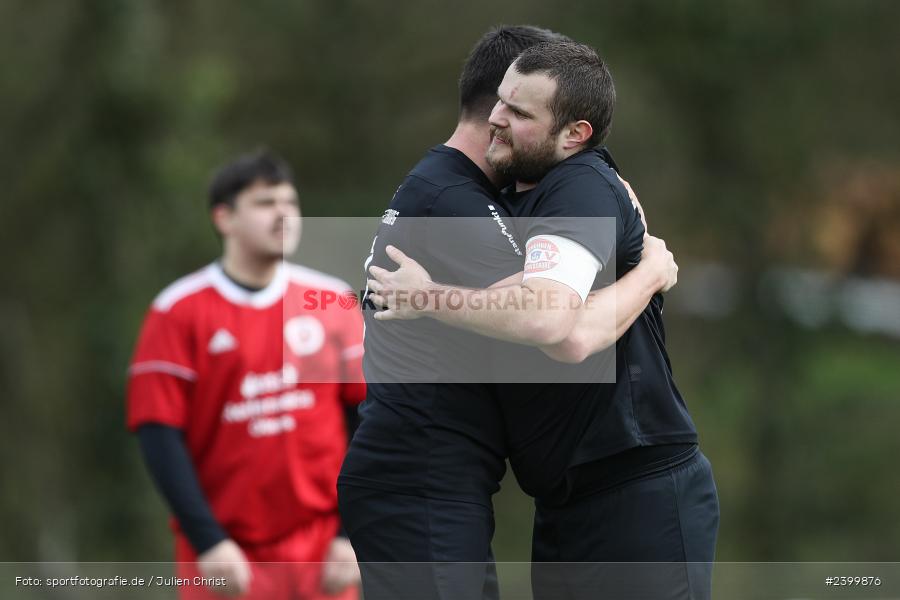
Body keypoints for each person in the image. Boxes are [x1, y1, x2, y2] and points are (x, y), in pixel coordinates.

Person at [337, 26, 680, 600]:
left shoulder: (458, 188)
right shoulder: (457, 201)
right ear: (496, 100)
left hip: (430, 478)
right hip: (420, 478)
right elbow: (555, 319)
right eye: (512, 106)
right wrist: (647, 266)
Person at [127, 149, 364, 600]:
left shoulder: (331, 299)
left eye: (290, 202)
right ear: (224, 218)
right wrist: (208, 541)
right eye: (265, 203)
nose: (283, 215)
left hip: (323, 550)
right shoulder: (176, 311)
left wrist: (350, 531)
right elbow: (159, 436)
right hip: (227, 555)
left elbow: (366, 419)